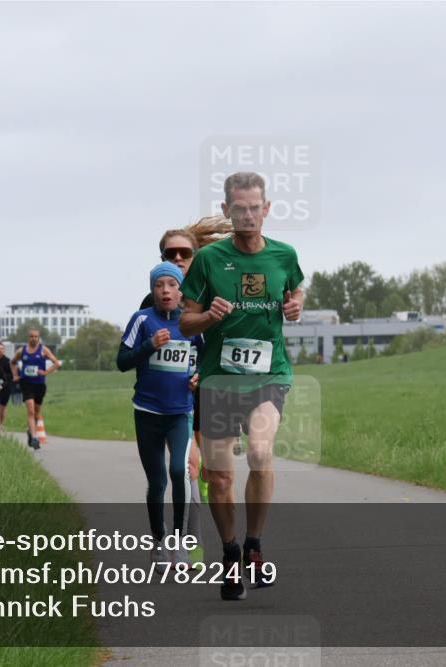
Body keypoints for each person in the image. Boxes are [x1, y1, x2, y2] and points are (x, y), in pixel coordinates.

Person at [180, 172, 305, 601]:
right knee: (219, 478)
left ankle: (254, 544)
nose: (248, 215)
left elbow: (296, 290)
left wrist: (295, 305)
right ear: (226, 210)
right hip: (218, 379)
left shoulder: (284, 254)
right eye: (239, 208)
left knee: (260, 452)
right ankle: (230, 552)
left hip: (269, 376)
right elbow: (185, 322)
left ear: (266, 209)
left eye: (255, 208)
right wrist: (208, 316)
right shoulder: (209, 260)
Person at [139, 217, 232, 565]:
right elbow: (144, 352)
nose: (177, 258)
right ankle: (187, 543)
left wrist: (203, 372)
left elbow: (225, 344)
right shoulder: (151, 301)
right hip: (175, 398)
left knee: (211, 472)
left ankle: (198, 502)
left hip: (211, 390)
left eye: (184, 252)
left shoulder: (214, 293)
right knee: (187, 465)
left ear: (197, 256)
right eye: (170, 253)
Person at [118, 262, 203, 568]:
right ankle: (158, 541)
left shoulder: (191, 323)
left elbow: (205, 358)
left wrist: (199, 375)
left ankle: (180, 544)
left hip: (180, 413)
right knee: (157, 483)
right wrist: (149, 345)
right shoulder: (142, 319)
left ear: (181, 290)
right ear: (152, 290)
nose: (165, 290)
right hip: (147, 412)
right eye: (159, 285)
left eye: (172, 284)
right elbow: (122, 361)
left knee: (180, 471)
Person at [10, 328, 61, 449]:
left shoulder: (43, 350)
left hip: (39, 385)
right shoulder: (21, 351)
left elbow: (56, 363)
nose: (33, 338)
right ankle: (34, 437)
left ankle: (30, 431)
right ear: (28, 337)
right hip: (26, 384)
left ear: (38, 338)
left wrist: (46, 372)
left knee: (37, 413)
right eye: (31, 336)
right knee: (31, 412)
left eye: (35, 336)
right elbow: (12, 362)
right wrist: (15, 375)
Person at [0, 341, 13, 434]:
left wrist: (3, 377)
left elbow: (12, 375)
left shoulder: (8, 361)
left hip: (5, 388)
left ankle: (0, 425)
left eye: (1, 349)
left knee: (2, 409)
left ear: (4, 350)